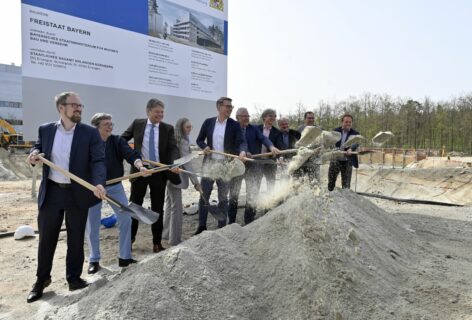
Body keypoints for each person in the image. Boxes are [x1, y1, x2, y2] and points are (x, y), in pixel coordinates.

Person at [26, 92, 106, 303]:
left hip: (77, 192)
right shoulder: (45, 129)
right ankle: (41, 280)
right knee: (47, 239)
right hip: (51, 192)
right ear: (61, 108)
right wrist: (34, 154)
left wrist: (98, 183)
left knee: (76, 238)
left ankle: (73, 278)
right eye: (75, 105)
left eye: (81, 106)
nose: (79, 109)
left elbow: (98, 160)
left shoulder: (90, 133)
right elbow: (39, 147)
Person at [86, 113, 149, 274]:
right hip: (93, 188)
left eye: (111, 124)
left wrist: (140, 166)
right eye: (106, 124)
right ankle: (94, 260)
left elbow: (131, 154)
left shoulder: (117, 141)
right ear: (96, 127)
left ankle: (125, 257)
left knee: (125, 218)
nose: (110, 126)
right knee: (92, 224)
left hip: (115, 186)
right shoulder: (88, 142)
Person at [121, 98, 181, 253]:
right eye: (157, 112)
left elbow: (173, 148)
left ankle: (156, 242)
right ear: (148, 111)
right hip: (140, 171)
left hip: (158, 173)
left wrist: (174, 163)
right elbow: (121, 140)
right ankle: (130, 239)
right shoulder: (137, 124)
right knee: (134, 206)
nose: (160, 115)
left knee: (157, 209)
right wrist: (132, 154)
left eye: (162, 112)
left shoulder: (167, 128)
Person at [194, 97, 247, 234]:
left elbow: (242, 141)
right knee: (204, 195)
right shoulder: (208, 122)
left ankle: (222, 226)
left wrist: (242, 151)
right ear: (219, 107)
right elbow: (199, 140)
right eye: (228, 106)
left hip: (225, 166)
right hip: (209, 165)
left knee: (223, 197)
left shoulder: (234, 125)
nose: (230, 108)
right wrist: (205, 146)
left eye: (231, 106)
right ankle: (201, 226)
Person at [228, 108, 280, 224]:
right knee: (233, 194)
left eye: (248, 116)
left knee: (252, 193)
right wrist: (240, 153)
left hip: (253, 166)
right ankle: (231, 222)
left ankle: (249, 222)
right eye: (244, 116)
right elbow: (229, 145)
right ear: (237, 117)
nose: (247, 118)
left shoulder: (254, 129)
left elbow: (264, 138)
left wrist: (271, 147)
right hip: (236, 165)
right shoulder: (232, 129)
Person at [163, 118, 200, 246]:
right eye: (187, 127)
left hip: (169, 176)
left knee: (169, 204)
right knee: (176, 208)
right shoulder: (183, 142)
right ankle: (175, 239)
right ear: (181, 128)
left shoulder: (174, 139)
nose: (190, 130)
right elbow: (188, 164)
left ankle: (166, 234)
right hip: (176, 178)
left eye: (191, 127)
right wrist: (196, 182)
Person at [327, 114, 360, 191]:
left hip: (347, 161)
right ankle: (329, 199)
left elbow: (356, 142)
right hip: (335, 160)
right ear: (342, 122)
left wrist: (351, 149)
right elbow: (330, 142)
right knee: (331, 183)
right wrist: (331, 147)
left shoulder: (355, 133)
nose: (348, 124)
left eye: (350, 122)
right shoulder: (335, 131)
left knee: (346, 186)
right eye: (346, 122)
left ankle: (346, 200)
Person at [257, 109, 285, 191]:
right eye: (271, 116)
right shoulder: (256, 129)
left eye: (275, 116)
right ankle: (253, 203)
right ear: (264, 117)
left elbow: (280, 147)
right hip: (257, 161)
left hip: (270, 161)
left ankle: (271, 202)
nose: (273, 118)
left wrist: (280, 158)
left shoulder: (277, 132)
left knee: (271, 183)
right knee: (256, 182)